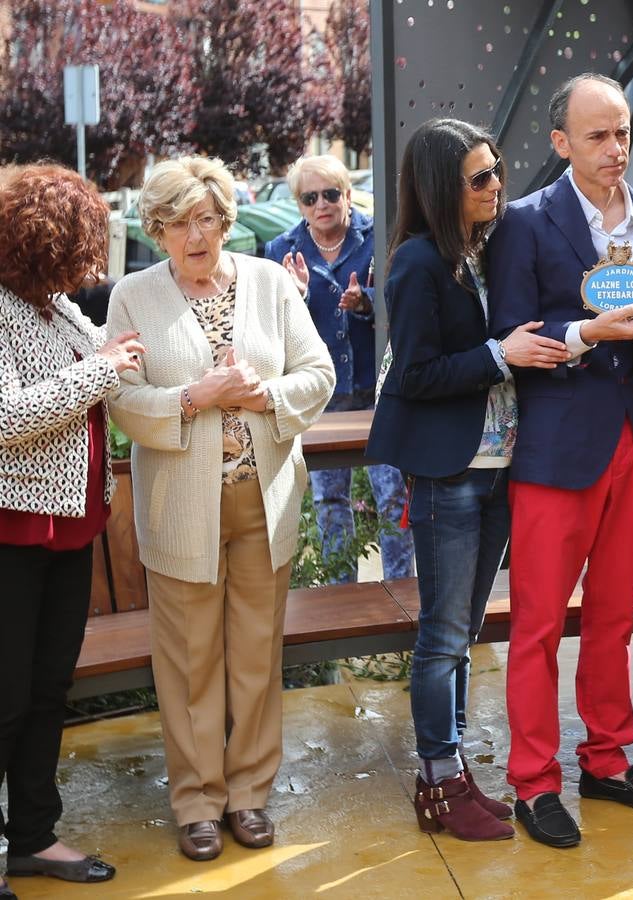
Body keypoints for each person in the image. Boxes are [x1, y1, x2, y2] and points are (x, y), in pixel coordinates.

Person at [106, 157, 335, 862]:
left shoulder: (269, 283)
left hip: (263, 501)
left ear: (226, 221)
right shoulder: (133, 296)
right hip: (181, 508)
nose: (195, 236)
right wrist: (192, 397)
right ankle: (198, 802)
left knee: (257, 654)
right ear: (157, 230)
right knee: (189, 660)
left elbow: (318, 374)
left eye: (207, 219)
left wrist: (263, 394)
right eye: (178, 223)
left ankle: (249, 795)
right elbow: (121, 401)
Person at [487, 72, 633, 848]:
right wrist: (584, 334)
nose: (615, 148)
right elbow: (511, 331)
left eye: (623, 132)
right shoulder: (524, 222)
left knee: (614, 618)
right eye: (598, 135)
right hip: (555, 446)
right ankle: (534, 782)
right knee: (536, 623)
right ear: (561, 142)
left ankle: (606, 760)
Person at [366, 119, 570, 841]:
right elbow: (416, 374)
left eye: (497, 172)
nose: (496, 188)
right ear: (440, 188)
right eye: (479, 178)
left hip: (498, 470)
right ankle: (438, 782)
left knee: (465, 630)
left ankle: (452, 772)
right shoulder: (418, 263)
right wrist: (500, 354)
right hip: (450, 473)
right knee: (444, 634)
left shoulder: (480, 253)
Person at [0, 165, 137, 896]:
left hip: (70, 527)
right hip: (12, 530)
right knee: (5, 698)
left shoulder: (57, 309)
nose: (87, 266)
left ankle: (33, 837)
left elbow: (108, 359)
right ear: (41, 243)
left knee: (49, 689)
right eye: (79, 248)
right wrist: (101, 371)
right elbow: (5, 418)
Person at [265, 155, 413, 584]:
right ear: (299, 204)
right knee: (329, 501)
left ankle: (400, 589)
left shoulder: (379, 237)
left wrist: (366, 301)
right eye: (309, 198)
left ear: (347, 195)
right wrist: (296, 297)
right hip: (322, 395)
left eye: (330, 194)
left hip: (375, 389)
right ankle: (338, 592)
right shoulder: (281, 251)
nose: (321, 205)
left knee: (392, 497)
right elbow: (273, 326)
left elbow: (402, 300)